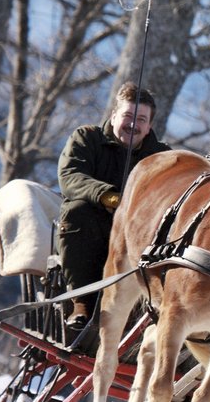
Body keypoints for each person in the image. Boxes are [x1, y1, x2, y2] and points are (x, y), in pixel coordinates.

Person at [57, 82, 171, 330]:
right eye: (128, 116)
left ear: (149, 125)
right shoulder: (87, 138)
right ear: (114, 116)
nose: (133, 124)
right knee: (76, 212)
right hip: (94, 225)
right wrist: (109, 197)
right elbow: (71, 177)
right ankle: (82, 302)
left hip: (139, 234)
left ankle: (154, 313)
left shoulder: (163, 158)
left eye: (141, 119)